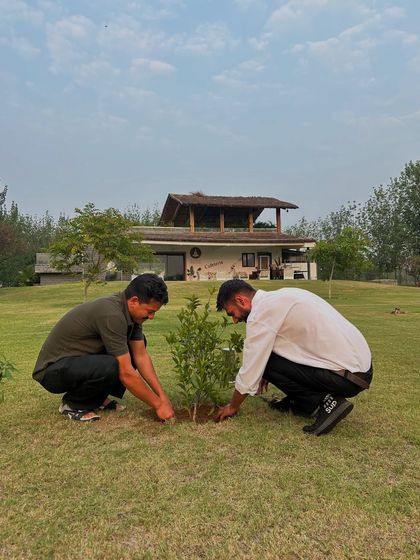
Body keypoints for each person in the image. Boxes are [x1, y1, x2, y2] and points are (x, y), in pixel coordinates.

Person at [214, 280, 373, 436]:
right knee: (266, 360)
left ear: (241, 300)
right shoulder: (284, 295)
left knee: (265, 362)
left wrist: (232, 406)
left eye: (231, 313)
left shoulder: (260, 313)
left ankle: (328, 402)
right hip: (361, 371)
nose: (234, 320)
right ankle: (302, 403)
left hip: (346, 377)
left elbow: (251, 367)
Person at [33, 273, 175, 423]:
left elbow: (140, 356)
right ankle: (73, 404)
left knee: (131, 348)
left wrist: (162, 396)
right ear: (134, 301)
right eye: (150, 311)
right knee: (111, 365)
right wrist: (158, 405)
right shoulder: (112, 314)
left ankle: (97, 398)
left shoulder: (132, 316)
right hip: (52, 371)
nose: (152, 317)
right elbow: (126, 373)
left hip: (78, 363)